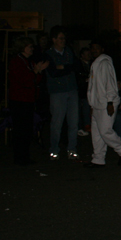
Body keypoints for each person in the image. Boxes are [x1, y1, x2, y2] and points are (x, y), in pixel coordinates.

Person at [85, 40, 121, 168]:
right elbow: (94, 87)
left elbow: (110, 84)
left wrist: (110, 102)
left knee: (105, 131)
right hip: (97, 103)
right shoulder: (96, 63)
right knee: (97, 132)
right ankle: (98, 159)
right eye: (92, 48)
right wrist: (92, 104)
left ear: (102, 49)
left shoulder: (104, 63)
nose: (94, 50)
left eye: (97, 48)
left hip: (106, 103)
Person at [8, 37, 49, 165]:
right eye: (29, 46)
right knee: (20, 130)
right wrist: (36, 71)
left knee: (26, 130)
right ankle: (19, 157)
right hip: (19, 100)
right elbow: (25, 80)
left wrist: (39, 71)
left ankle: (24, 156)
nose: (32, 49)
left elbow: (35, 80)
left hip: (28, 100)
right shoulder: (17, 62)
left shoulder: (28, 62)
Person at [44, 26, 79, 160]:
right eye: (60, 38)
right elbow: (53, 72)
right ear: (54, 39)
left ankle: (72, 148)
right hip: (57, 92)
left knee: (73, 123)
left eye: (64, 38)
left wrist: (62, 67)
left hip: (72, 90)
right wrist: (65, 67)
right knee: (57, 123)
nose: (63, 41)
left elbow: (74, 66)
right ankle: (54, 149)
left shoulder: (69, 52)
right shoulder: (49, 54)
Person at [76, 47, 92, 137]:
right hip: (80, 91)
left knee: (87, 110)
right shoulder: (78, 64)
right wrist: (85, 79)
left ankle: (87, 126)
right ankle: (79, 128)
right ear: (82, 55)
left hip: (88, 91)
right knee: (79, 111)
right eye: (87, 54)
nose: (89, 56)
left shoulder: (92, 64)